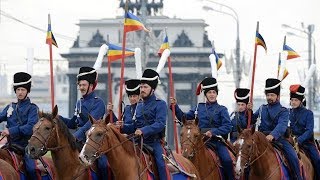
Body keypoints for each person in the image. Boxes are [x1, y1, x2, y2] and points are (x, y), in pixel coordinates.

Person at [170, 77, 234, 180]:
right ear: (206, 94)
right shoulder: (198, 108)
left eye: (214, 92)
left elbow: (228, 126)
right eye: (209, 92)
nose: (212, 94)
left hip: (217, 142)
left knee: (227, 160)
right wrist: (175, 106)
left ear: (216, 94)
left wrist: (213, 132)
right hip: (199, 141)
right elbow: (184, 118)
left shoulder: (222, 109)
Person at [59, 67, 108, 179]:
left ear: (91, 86)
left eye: (83, 85)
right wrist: (59, 119)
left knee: (103, 164)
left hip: (94, 141)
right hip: (79, 140)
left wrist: (76, 136)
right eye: (80, 85)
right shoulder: (79, 102)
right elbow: (73, 123)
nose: (81, 88)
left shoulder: (98, 103)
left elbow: (89, 125)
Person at [118, 69, 168, 180]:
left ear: (152, 89)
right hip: (137, 142)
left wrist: (144, 130)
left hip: (153, 143)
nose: (142, 90)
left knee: (161, 164)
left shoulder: (160, 104)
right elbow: (134, 126)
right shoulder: (139, 105)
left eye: (145, 87)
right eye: (141, 87)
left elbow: (160, 124)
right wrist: (122, 127)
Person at [248, 78, 302, 180]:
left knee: (293, 157)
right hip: (261, 139)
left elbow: (282, 126)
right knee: (246, 157)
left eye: (272, 95)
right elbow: (250, 121)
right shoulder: (261, 108)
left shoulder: (284, 111)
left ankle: (298, 177)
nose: (269, 97)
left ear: (277, 96)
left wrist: (272, 135)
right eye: (268, 95)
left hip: (279, 139)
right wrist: (249, 111)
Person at [0, 72, 39, 179]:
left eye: (23, 90)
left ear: (28, 91)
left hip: (26, 147)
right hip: (10, 146)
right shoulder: (10, 107)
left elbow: (31, 127)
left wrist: (10, 131)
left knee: (31, 169)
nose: (20, 92)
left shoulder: (33, 109)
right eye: (18, 90)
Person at [289, 84, 320, 179]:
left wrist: (298, 140)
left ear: (301, 101)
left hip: (306, 142)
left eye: (296, 100)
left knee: (317, 159)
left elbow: (309, 131)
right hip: (290, 142)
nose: (293, 102)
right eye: (292, 100)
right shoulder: (287, 112)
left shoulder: (308, 113)